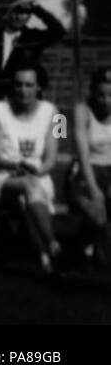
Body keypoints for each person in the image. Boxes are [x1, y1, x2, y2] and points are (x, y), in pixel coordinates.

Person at [0, 64, 62, 274]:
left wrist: (36, 171)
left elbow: (51, 158)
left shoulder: (52, 112)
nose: (23, 90)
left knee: (28, 194)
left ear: (38, 87)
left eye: (29, 85)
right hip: (4, 177)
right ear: (12, 86)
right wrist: (17, 166)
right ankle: (53, 243)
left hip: (38, 174)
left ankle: (45, 257)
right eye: (18, 85)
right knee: (29, 187)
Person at [0, 0, 65, 154]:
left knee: (19, 156)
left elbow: (59, 32)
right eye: (17, 10)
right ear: (9, 11)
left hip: (20, 108)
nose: (20, 16)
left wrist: (38, 9)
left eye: (26, 12)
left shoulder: (32, 37)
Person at [70, 67, 111, 266]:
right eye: (101, 95)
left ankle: (89, 246)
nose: (106, 100)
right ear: (93, 93)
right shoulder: (82, 111)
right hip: (87, 172)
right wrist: (94, 189)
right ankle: (96, 251)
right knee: (98, 213)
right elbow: (83, 154)